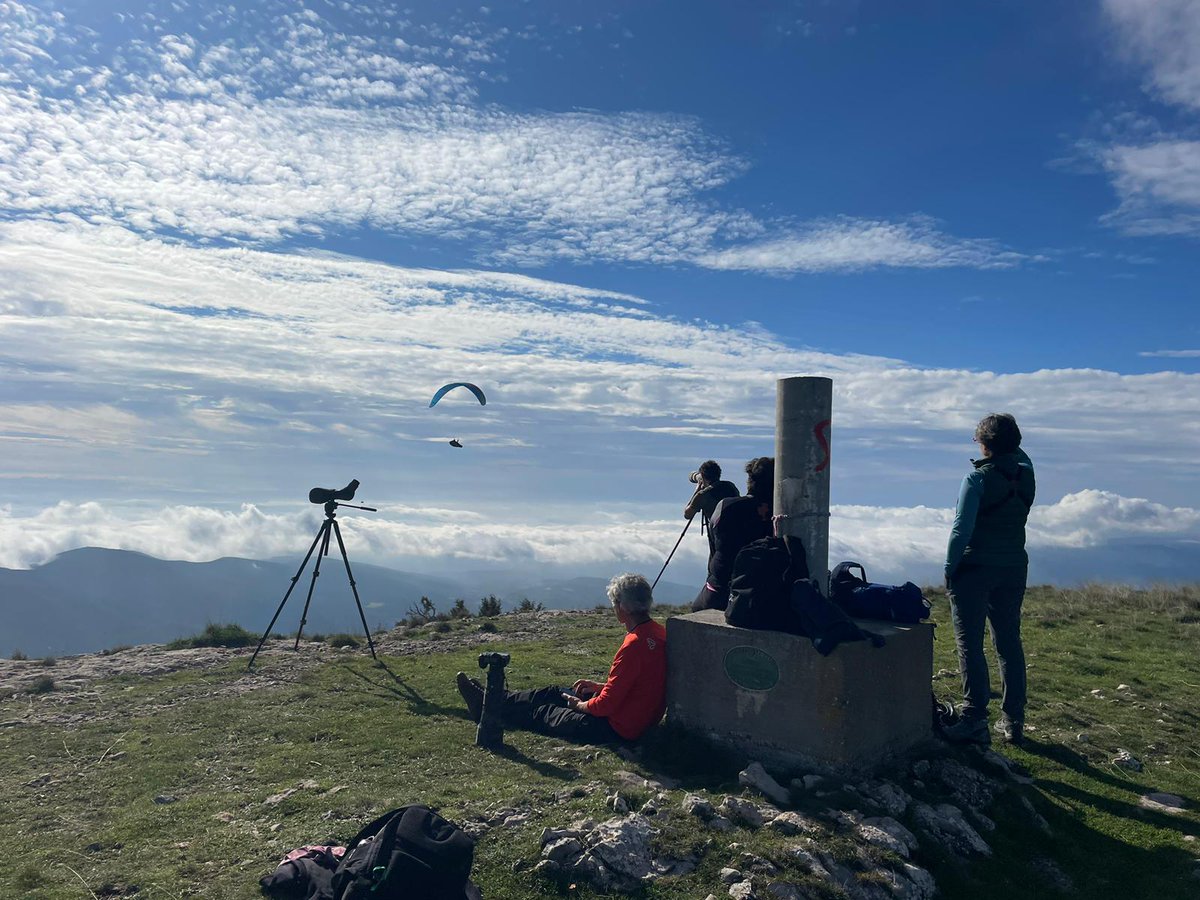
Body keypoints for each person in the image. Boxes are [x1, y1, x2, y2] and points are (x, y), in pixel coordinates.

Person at [455, 573, 667, 744]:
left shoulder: (633, 645)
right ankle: (492, 698)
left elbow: (606, 706)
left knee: (544, 712)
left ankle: (487, 708)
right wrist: (601, 687)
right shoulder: (659, 633)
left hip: (615, 729)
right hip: (635, 719)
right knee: (553, 692)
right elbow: (638, 685)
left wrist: (579, 706)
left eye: (614, 603)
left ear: (622, 607)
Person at [941, 413, 1035, 746]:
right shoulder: (1026, 475)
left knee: (970, 644)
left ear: (984, 444)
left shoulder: (976, 479)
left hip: (974, 569)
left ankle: (974, 719)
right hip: (1013, 568)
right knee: (1009, 643)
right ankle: (1013, 721)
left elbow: (960, 530)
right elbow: (1021, 455)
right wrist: (1007, 443)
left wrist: (949, 567)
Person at [692, 456, 774, 612]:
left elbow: (689, 514)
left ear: (750, 480)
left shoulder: (727, 506)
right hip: (766, 588)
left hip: (722, 586)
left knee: (697, 611)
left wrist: (698, 491)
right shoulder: (782, 514)